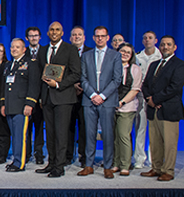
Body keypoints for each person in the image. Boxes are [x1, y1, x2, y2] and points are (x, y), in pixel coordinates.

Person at [36, 21, 81, 178]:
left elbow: (76, 73)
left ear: (62, 33)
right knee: (50, 133)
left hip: (63, 97)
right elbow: (39, 74)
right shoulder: (43, 50)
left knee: (61, 134)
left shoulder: (70, 49)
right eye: (51, 30)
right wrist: (41, 97)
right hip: (47, 98)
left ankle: (59, 167)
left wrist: (58, 84)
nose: (54, 32)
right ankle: (52, 163)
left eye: (57, 30)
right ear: (48, 33)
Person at [77, 26, 123, 179]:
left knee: (108, 134)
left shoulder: (115, 56)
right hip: (89, 100)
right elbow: (82, 78)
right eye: (97, 36)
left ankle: (108, 166)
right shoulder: (86, 55)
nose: (100, 38)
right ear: (93, 37)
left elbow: (117, 79)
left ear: (107, 37)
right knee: (89, 134)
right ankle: (89, 165)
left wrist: (102, 96)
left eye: (102, 36)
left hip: (107, 100)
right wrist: (92, 94)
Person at [140, 35, 184, 182]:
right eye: (163, 45)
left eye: (168, 45)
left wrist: (156, 99)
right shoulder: (154, 64)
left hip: (169, 110)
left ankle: (168, 171)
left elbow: (174, 87)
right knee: (155, 142)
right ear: (159, 47)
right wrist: (149, 100)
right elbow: (145, 85)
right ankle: (157, 168)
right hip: (154, 110)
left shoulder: (180, 64)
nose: (165, 47)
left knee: (170, 143)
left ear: (174, 47)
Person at [0, 38, 40, 172]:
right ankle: (16, 159)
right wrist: (3, 103)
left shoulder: (30, 64)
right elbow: (4, 86)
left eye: (17, 47)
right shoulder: (8, 65)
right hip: (10, 105)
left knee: (20, 136)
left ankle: (20, 163)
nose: (14, 49)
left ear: (24, 49)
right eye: (12, 47)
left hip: (22, 106)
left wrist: (30, 103)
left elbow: (34, 85)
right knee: (14, 135)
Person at [112, 43, 142, 176]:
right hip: (112, 107)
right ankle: (116, 163)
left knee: (123, 136)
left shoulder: (135, 69)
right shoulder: (112, 66)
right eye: (122, 51)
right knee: (115, 137)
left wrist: (122, 102)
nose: (124, 54)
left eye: (128, 52)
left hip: (127, 107)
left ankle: (125, 164)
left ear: (131, 56)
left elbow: (135, 89)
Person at [132, 31, 161, 169]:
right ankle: (139, 159)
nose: (147, 40)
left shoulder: (161, 56)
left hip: (158, 97)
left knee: (156, 129)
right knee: (140, 128)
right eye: (145, 38)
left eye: (150, 38)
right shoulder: (138, 57)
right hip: (142, 96)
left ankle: (155, 159)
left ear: (155, 40)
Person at [67, 25, 91, 166]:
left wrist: (81, 85)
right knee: (68, 127)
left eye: (79, 34)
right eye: (74, 35)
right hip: (68, 93)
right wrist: (73, 85)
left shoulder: (90, 52)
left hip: (86, 95)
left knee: (84, 127)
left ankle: (83, 156)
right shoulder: (65, 51)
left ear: (84, 37)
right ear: (70, 38)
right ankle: (68, 155)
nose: (76, 37)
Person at [24, 26, 45, 164]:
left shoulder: (45, 51)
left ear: (40, 37)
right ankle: (26, 153)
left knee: (39, 126)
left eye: (36, 35)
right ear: (27, 38)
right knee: (26, 127)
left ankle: (39, 153)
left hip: (42, 96)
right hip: (26, 96)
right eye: (31, 36)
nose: (33, 38)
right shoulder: (23, 52)